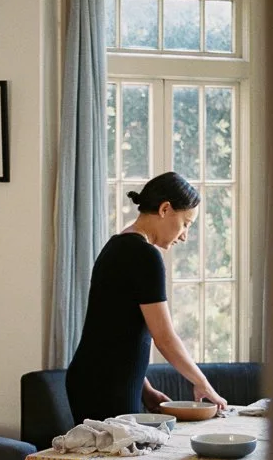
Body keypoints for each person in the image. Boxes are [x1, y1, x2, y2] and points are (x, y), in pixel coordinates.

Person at [65, 171, 228, 424]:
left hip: (98, 378)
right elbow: (164, 337)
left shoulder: (117, 245)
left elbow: (114, 329)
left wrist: (146, 389)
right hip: (108, 384)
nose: (184, 235)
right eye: (186, 223)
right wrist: (203, 384)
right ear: (165, 209)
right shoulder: (144, 255)